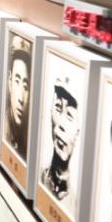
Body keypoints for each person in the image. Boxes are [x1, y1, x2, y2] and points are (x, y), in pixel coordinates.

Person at [40, 79, 79, 208]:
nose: (61, 124)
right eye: (58, 107)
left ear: (78, 131)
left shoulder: (76, 206)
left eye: (69, 115)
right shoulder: (37, 177)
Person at [5, 47, 31, 156]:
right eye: (17, 81)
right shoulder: (3, 130)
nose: (21, 98)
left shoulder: (27, 138)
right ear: (10, 81)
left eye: (25, 87)